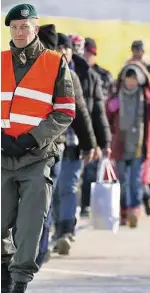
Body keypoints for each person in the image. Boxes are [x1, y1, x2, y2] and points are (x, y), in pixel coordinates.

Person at [1, 4, 75, 293]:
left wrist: (33, 138)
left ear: (35, 27)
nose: (19, 32)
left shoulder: (55, 63)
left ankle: (19, 283)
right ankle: (4, 276)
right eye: (14, 28)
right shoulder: (0, 61)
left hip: (37, 157)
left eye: (24, 27)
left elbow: (66, 111)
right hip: (3, 156)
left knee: (31, 227)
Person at [32, 25, 97, 264]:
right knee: (39, 200)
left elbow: (80, 110)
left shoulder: (68, 74)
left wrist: (91, 143)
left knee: (54, 194)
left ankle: (43, 247)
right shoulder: (22, 67)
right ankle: (36, 251)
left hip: (55, 146)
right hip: (32, 145)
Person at [106, 61, 150, 227]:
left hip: (140, 145)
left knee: (136, 180)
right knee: (122, 179)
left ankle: (134, 211)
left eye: (134, 78)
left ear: (140, 80)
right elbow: (107, 120)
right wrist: (110, 109)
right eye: (128, 78)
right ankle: (123, 211)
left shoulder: (146, 97)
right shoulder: (116, 97)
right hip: (120, 144)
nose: (130, 82)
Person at [69, 34, 112, 217]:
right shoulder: (56, 71)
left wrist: (105, 143)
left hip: (87, 136)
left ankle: (77, 213)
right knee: (66, 184)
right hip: (65, 136)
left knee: (81, 177)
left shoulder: (94, 77)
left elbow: (98, 113)